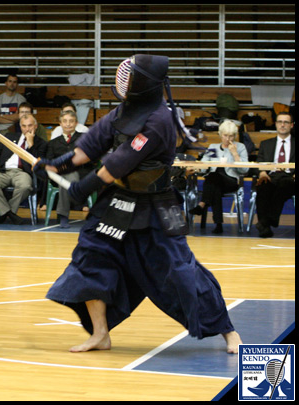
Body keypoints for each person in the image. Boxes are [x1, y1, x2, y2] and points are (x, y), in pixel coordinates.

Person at [34, 54, 242, 354]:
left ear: (144, 83)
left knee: (181, 270)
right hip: (117, 203)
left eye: (131, 77)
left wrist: (84, 187)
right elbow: (90, 145)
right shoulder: (121, 112)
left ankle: (228, 331)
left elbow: (120, 161)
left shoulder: (160, 119)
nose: (125, 82)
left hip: (158, 205)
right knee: (91, 258)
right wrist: (55, 164)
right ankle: (100, 334)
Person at [188, 120, 249, 234]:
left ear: (235, 136)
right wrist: (196, 168)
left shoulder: (240, 147)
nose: (228, 139)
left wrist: (235, 154)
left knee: (213, 177)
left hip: (231, 181)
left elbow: (244, 170)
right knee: (214, 182)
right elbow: (204, 165)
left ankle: (202, 204)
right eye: (225, 135)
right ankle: (218, 225)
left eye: (231, 136)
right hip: (214, 182)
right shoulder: (213, 147)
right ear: (220, 135)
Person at [0, 114, 46, 225]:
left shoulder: (41, 143)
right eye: (24, 126)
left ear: (35, 126)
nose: (27, 129)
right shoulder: (9, 137)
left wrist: (31, 144)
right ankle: (10, 214)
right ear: (20, 126)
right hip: (4, 171)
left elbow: (38, 163)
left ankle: (4, 212)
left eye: (30, 125)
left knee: (25, 186)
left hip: (22, 172)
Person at [45, 110, 96, 228]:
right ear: (60, 123)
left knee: (69, 176)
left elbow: (92, 156)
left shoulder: (84, 138)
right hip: (59, 174)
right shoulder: (53, 143)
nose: (68, 124)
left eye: (71, 121)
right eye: (65, 121)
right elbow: (49, 162)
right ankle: (69, 209)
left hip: (81, 172)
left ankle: (63, 215)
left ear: (76, 123)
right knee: (65, 177)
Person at [254, 112, 295, 238]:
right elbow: (259, 162)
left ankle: (265, 222)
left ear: (291, 125)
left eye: (286, 122)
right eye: (280, 122)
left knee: (284, 184)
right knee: (263, 186)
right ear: (276, 124)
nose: (282, 125)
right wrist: (261, 172)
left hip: (290, 178)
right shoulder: (266, 144)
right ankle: (265, 228)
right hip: (270, 176)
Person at [0, 74, 26, 150]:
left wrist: (2, 116)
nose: (12, 84)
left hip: (14, 130)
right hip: (0, 132)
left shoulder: (21, 99)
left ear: (17, 84)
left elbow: (20, 117)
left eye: (14, 82)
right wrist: (13, 118)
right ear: (6, 83)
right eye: (10, 81)